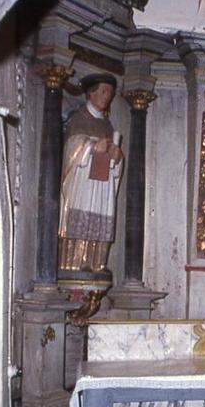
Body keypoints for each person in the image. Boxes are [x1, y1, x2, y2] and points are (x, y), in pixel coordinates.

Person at [58, 73, 124, 273]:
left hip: (101, 186)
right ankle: (73, 264)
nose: (107, 97)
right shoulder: (79, 118)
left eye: (110, 93)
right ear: (90, 93)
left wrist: (117, 157)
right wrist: (92, 146)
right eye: (103, 91)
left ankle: (97, 264)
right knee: (80, 218)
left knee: (100, 218)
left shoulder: (107, 124)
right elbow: (70, 149)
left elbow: (115, 163)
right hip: (82, 185)